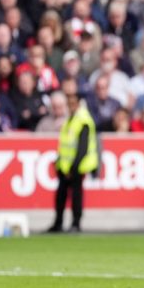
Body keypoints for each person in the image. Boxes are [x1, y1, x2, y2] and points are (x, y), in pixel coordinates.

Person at [46, 86, 98, 234]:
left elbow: (83, 147)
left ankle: (76, 223)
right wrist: (59, 163)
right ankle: (58, 222)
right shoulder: (72, 118)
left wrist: (73, 167)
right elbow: (66, 143)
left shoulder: (83, 120)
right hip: (65, 165)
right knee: (61, 195)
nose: (70, 105)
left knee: (76, 195)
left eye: (73, 103)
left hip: (76, 166)